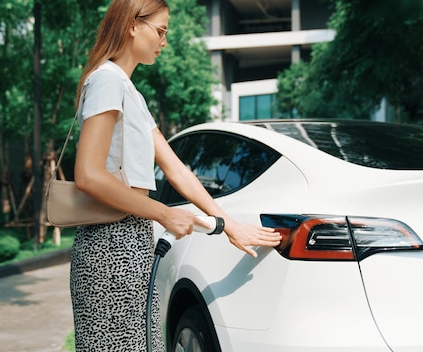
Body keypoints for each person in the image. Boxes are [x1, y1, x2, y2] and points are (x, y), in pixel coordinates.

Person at [69, 0, 282, 351]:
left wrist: (229, 224)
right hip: (108, 244)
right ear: (132, 25)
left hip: (133, 238)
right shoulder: (106, 80)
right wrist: (165, 213)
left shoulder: (130, 92)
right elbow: (89, 175)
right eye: (161, 30)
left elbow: (176, 169)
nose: (164, 41)